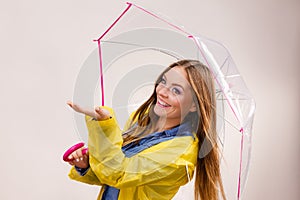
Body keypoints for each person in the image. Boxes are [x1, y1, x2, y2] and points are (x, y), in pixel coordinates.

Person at [66, 59, 226, 200]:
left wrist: (105, 125)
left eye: (176, 90)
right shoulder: (141, 120)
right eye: (163, 81)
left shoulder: (180, 155)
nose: (162, 92)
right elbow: (107, 175)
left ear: (193, 105)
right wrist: (86, 165)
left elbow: (118, 174)